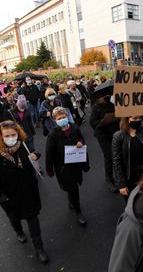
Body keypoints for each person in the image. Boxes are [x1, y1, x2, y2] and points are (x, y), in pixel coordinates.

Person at [0, 120, 48, 263]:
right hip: (9, 196)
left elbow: (31, 158)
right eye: (6, 136)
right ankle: (18, 231)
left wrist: (35, 156)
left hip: (28, 191)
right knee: (14, 217)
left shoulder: (23, 146)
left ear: (18, 134)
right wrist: (2, 198)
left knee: (33, 219)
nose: (10, 138)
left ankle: (39, 248)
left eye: (13, 135)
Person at [45, 107, 90, 226]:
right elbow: (49, 153)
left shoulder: (74, 128)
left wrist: (81, 142)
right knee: (73, 188)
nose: (62, 120)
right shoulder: (53, 135)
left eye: (64, 117)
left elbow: (81, 138)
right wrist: (49, 169)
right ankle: (78, 211)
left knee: (73, 187)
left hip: (76, 164)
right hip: (63, 167)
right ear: (55, 120)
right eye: (59, 118)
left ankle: (72, 201)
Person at [112, 114, 143, 201]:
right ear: (127, 119)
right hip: (128, 176)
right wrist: (121, 184)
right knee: (132, 201)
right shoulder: (119, 136)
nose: (138, 120)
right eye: (135, 118)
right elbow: (116, 161)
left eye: (139, 118)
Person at [90, 94, 119, 192]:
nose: (105, 97)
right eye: (103, 96)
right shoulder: (96, 108)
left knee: (117, 155)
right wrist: (104, 120)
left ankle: (119, 176)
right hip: (102, 135)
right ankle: (109, 179)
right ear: (98, 97)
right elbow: (92, 122)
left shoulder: (112, 105)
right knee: (109, 156)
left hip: (114, 133)